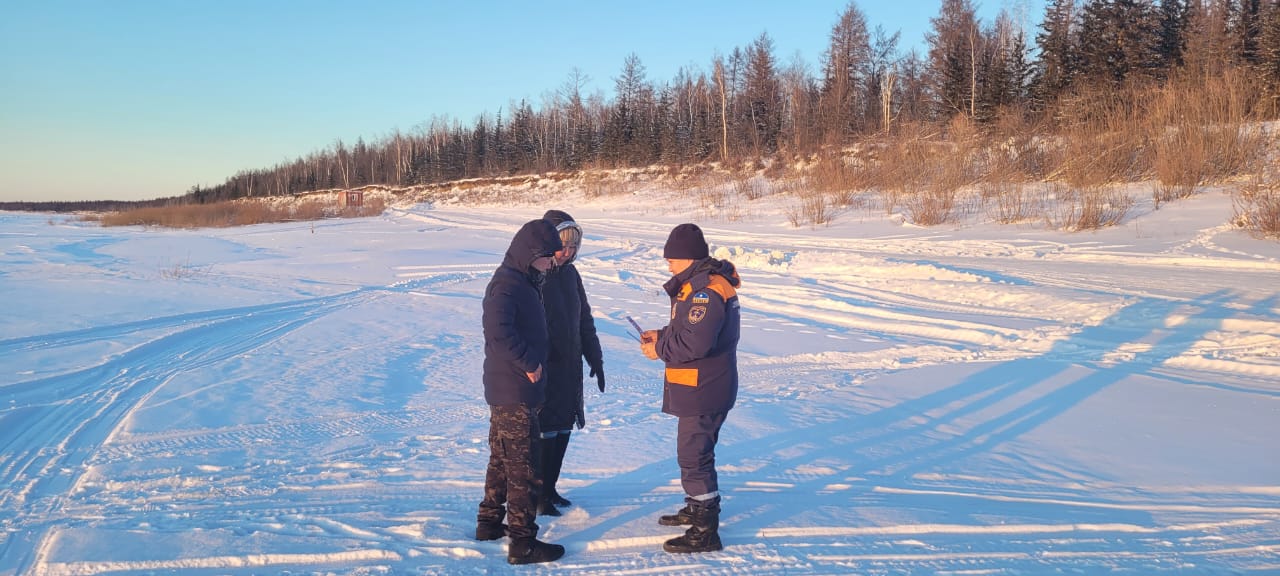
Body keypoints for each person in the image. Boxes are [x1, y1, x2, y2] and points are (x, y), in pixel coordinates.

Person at [639, 223, 741, 554]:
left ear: (687, 257)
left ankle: (704, 530)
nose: (668, 264)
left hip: (706, 388)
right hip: (700, 386)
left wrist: (660, 350)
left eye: (671, 258)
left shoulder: (706, 291)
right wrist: (660, 334)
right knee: (693, 453)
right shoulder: (697, 286)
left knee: (694, 455)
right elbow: (685, 327)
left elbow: (696, 342)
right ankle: (695, 508)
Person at [475, 219, 566, 565]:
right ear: (531, 254)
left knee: (500, 460)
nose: (551, 264)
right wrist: (530, 362)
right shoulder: (508, 285)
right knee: (523, 467)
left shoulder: (522, 280)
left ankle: (488, 522)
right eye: (547, 258)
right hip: (514, 387)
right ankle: (523, 542)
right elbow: (498, 332)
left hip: (510, 387)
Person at [536, 210, 605, 516]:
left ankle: (550, 488)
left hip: (570, 368)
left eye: (574, 245)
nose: (568, 251)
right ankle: (536, 494)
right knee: (544, 432)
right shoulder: (536, 275)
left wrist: (595, 357)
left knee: (563, 429)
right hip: (544, 368)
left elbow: (584, 320)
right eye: (562, 244)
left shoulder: (571, 275)